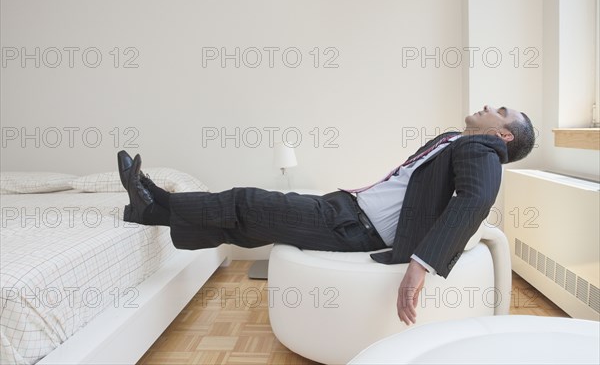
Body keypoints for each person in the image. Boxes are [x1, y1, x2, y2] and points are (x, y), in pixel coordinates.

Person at [118, 105, 535, 325]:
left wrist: (420, 265)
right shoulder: (455, 139)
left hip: (355, 227)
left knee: (247, 202)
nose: (487, 106)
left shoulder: (484, 151)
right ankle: (151, 210)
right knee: (249, 222)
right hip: (348, 208)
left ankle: (153, 201)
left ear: (503, 136)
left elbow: (474, 200)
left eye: (500, 111)